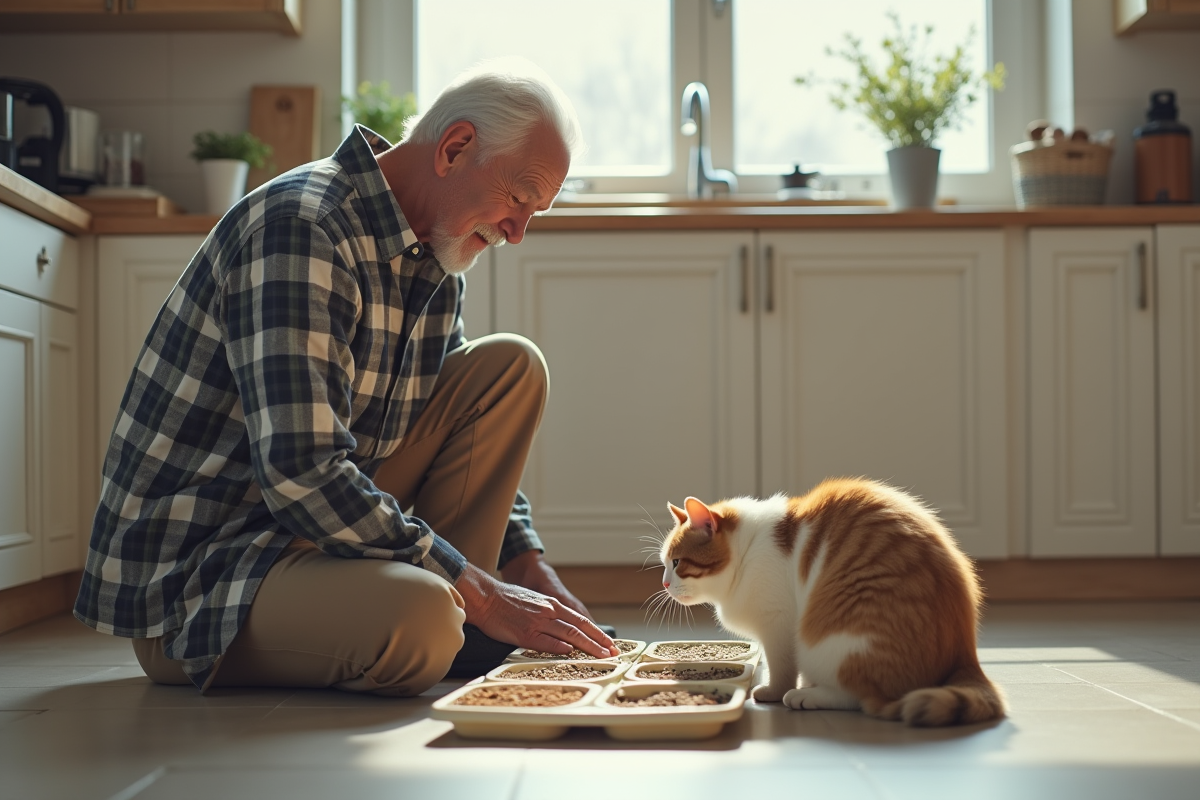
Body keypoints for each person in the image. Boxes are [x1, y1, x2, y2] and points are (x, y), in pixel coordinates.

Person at [73, 60, 617, 695]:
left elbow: (456, 421)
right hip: (207, 582)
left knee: (509, 367)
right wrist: (484, 594)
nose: (516, 234)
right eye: (519, 200)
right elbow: (301, 474)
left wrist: (528, 567)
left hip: (310, 538)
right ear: (455, 147)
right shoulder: (303, 230)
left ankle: (465, 617)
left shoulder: (433, 258)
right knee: (424, 624)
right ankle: (459, 615)